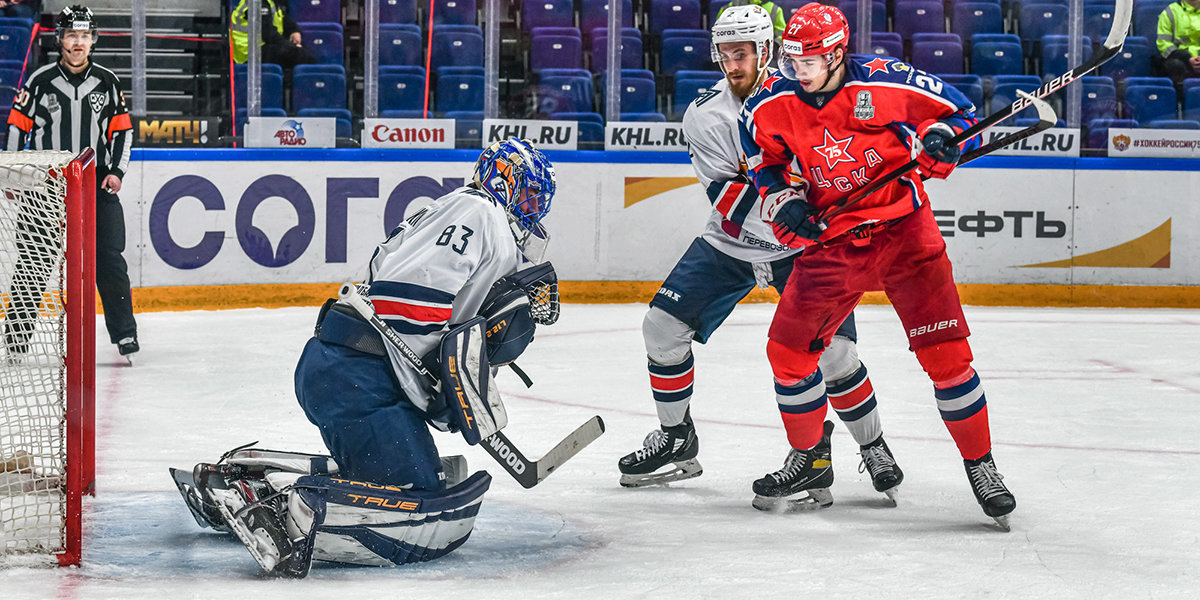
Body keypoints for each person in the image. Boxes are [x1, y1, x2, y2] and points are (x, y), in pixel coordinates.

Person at [172, 138, 560, 577]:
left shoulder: (458, 209)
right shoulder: (478, 211)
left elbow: (406, 296)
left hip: (347, 367)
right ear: (503, 181)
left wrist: (449, 375)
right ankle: (277, 517)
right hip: (358, 376)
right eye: (528, 195)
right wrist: (444, 371)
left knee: (390, 479)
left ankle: (249, 480)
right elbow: (410, 296)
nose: (532, 210)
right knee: (414, 495)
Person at [738, 4, 1016, 525]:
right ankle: (808, 460)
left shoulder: (889, 82)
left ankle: (982, 465)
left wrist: (942, 143)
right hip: (835, 243)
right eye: (791, 57)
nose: (796, 68)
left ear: (839, 52)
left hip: (906, 234)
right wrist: (783, 202)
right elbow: (763, 162)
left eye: (809, 59)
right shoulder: (769, 104)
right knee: (787, 354)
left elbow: (963, 120)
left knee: (947, 358)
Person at [617, 4, 903, 508]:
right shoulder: (706, 114)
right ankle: (676, 436)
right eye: (724, 53)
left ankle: (873, 446)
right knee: (660, 329)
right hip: (731, 245)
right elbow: (727, 198)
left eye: (742, 52)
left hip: (804, 251)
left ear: (767, 51)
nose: (732, 63)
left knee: (836, 354)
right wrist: (795, 210)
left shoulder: (807, 99)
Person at [5, 5, 138, 358]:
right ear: (60, 39)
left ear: (91, 40)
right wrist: (16, 173)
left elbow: (122, 132)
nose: (78, 42)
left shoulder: (108, 82)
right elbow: (19, 127)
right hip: (44, 188)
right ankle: (15, 341)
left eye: (84, 35)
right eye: (71, 35)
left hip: (95, 188)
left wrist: (116, 172)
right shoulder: (39, 80)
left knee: (109, 261)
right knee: (33, 263)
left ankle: (125, 335)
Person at [229, 0, 316, 71]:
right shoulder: (256, 3)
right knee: (299, 54)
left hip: (262, 46)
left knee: (300, 52)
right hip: (249, 52)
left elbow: (284, 19)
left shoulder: (271, 2)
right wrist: (292, 46)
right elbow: (268, 34)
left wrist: (295, 31)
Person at [1156, 0, 1200, 84]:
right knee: (1175, 65)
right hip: (1181, 59)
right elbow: (1163, 43)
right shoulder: (1170, 12)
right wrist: (1187, 58)